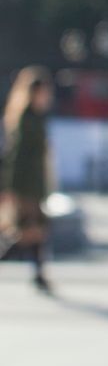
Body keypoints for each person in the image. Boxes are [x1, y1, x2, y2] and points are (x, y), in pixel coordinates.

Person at [1, 64, 56, 292]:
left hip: (34, 185)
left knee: (34, 230)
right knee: (32, 230)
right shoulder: (27, 119)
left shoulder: (36, 117)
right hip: (26, 185)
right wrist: (10, 187)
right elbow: (17, 157)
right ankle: (33, 270)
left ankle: (39, 274)